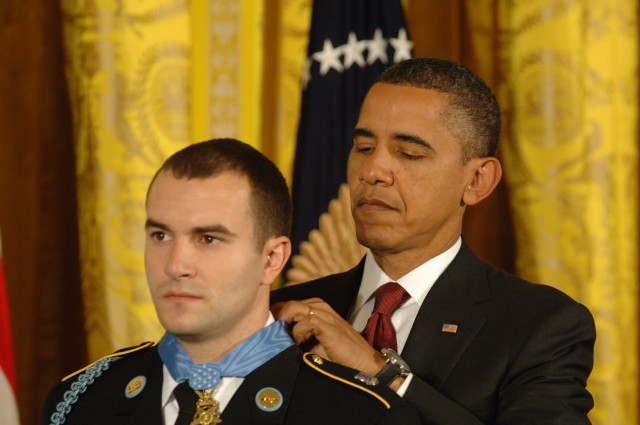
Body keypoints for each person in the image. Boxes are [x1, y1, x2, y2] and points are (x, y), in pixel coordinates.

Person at [271, 58, 595, 425]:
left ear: (477, 181)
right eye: (363, 148)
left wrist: (378, 370)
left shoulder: (539, 326)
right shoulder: (279, 313)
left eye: (409, 154)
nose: (372, 172)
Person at [41, 139, 420, 425]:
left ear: (272, 259)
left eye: (208, 239)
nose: (176, 265)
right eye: (160, 236)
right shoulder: (78, 402)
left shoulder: (362, 415)